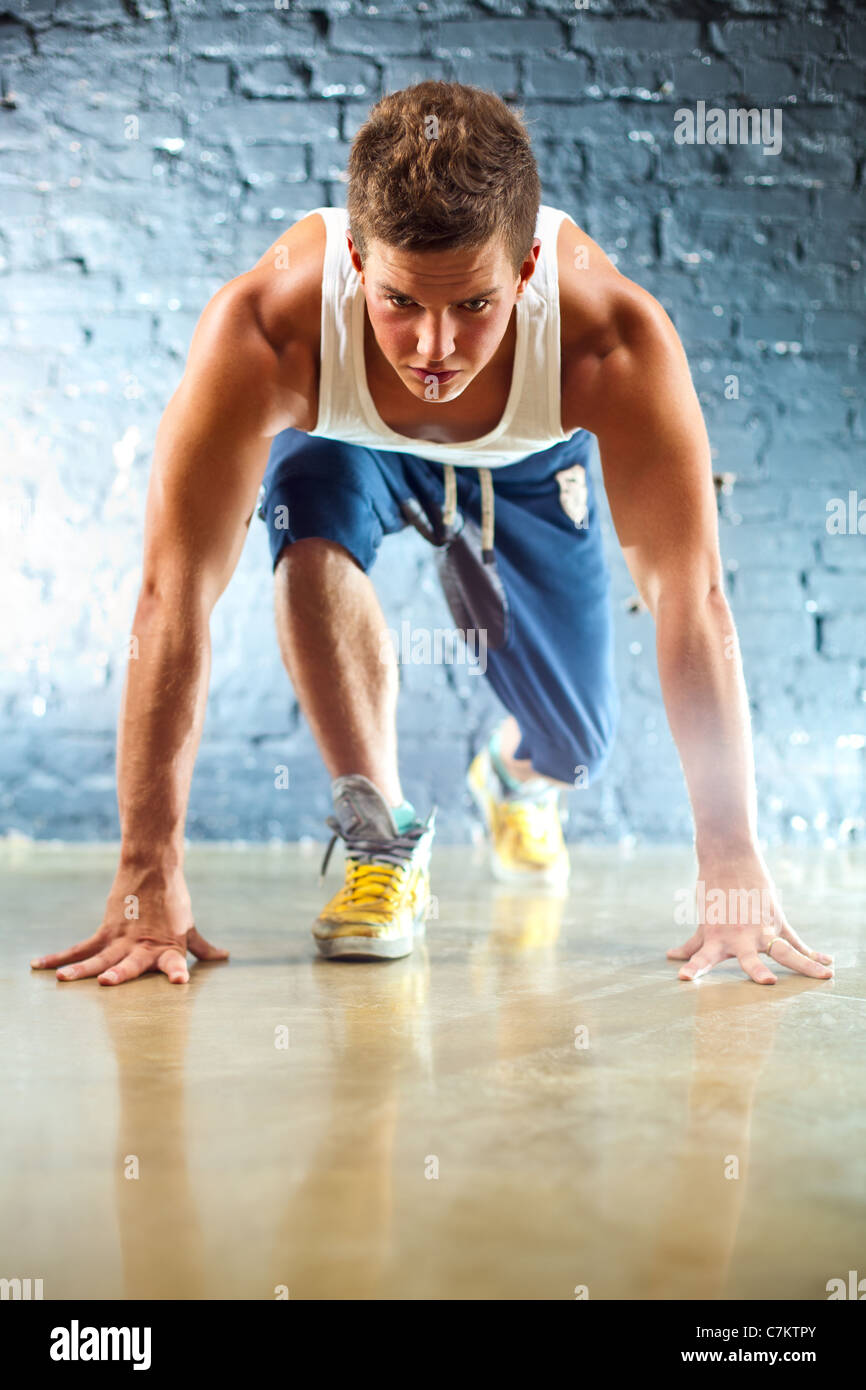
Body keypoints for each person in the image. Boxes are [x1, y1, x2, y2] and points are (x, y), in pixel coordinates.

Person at [31, 81, 833, 986]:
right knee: (307, 540)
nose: (435, 349)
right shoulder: (267, 330)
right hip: (348, 440)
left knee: (579, 742)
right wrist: (147, 872)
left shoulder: (609, 341)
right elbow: (169, 596)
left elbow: (693, 601)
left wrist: (730, 862)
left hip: (527, 464)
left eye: (476, 307)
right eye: (403, 302)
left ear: (527, 272)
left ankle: (517, 779)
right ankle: (383, 846)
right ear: (360, 264)